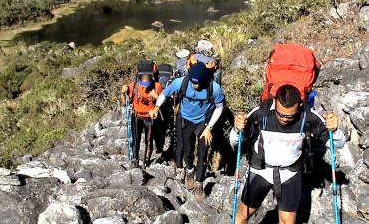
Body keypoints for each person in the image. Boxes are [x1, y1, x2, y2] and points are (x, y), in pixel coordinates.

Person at [230, 84, 346, 224]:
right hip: (261, 170)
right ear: (274, 102)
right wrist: (237, 129)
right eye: (281, 114)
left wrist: (334, 130)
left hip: (290, 174)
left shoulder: (308, 117)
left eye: (290, 116)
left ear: (299, 106)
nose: (285, 119)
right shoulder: (261, 113)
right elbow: (236, 141)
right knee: (242, 215)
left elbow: (338, 144)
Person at [150, 62, 225, 201]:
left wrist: (209, 127)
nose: (195, 85)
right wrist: (156, 107)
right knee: (188, 150)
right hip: (186, 120)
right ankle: (190, 170)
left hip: (204, 122)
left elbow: (219, 107)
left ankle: (199, 184)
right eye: (193, 82)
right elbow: (165, 94)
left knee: (203, 153)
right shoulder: (181, 82)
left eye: (198, 83)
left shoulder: (214, 88)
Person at [120, 61, 162, 169]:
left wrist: (157, 97)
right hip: (137, 116)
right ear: (139, 76)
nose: (145, 79)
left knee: (149, 141)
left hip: (150, 117)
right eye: (143, 77)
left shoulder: (157, 86)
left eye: (147, 77)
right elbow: (124, 103)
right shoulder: (133, 86)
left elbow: (163, 103)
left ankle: (146, 164)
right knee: (135, 140)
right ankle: (135, 161)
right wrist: (122, 93)